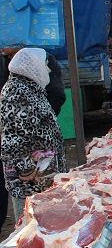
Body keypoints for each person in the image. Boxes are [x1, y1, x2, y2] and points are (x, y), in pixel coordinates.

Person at [0, 48, 66, 224]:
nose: (49, 69)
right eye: (45, 64)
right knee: (30, 227)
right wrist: (26, 170)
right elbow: (13, 140)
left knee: (45, 226)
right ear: (31, 65)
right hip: (30, 180)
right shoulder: (17, 92)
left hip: (40, 174)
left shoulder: (31, 88)